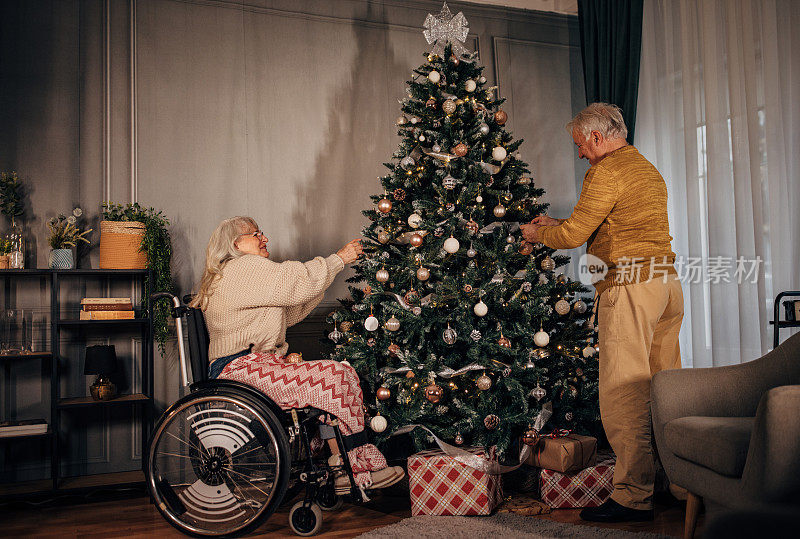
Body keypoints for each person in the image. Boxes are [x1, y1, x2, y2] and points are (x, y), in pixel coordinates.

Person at [520, 103, 683, 523]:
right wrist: (556, 221)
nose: (579, 154)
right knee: (667, 388)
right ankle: (678, 485)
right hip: (665, 285)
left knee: (624, 394)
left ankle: (632, 495)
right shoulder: (644, 167)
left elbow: (575, 235)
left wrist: (538, 234)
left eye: (579, 145)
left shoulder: (605, 171)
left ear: (595, 137)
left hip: (629, 288)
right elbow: (600, 223)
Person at [189, 216, 404, 494]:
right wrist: (338, 259)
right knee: (336, 375)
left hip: (246, 366)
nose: (264, 238)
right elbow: (295, 280)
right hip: (241, 370)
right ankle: (354, 467)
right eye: (257, 234)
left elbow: (292, 306)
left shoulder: (234, 274)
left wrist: (326, 275)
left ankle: (342, 464)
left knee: (337, 375)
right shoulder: (242, 267)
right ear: (237, 244)